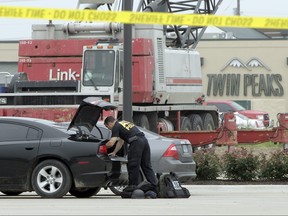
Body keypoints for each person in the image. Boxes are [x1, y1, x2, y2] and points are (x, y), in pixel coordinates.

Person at [104, 116, 158, 192]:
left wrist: (102, 147)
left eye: (107, 126)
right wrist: (114, 152)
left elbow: (111, 142)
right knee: (146, 165)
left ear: (109, 123)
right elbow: (121, 141)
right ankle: (154, 185)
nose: (108, 129)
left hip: (136, 142)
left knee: (133, 166)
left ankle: (132, 188)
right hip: (144, 140)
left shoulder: (115, 126)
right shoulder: (122, 123)